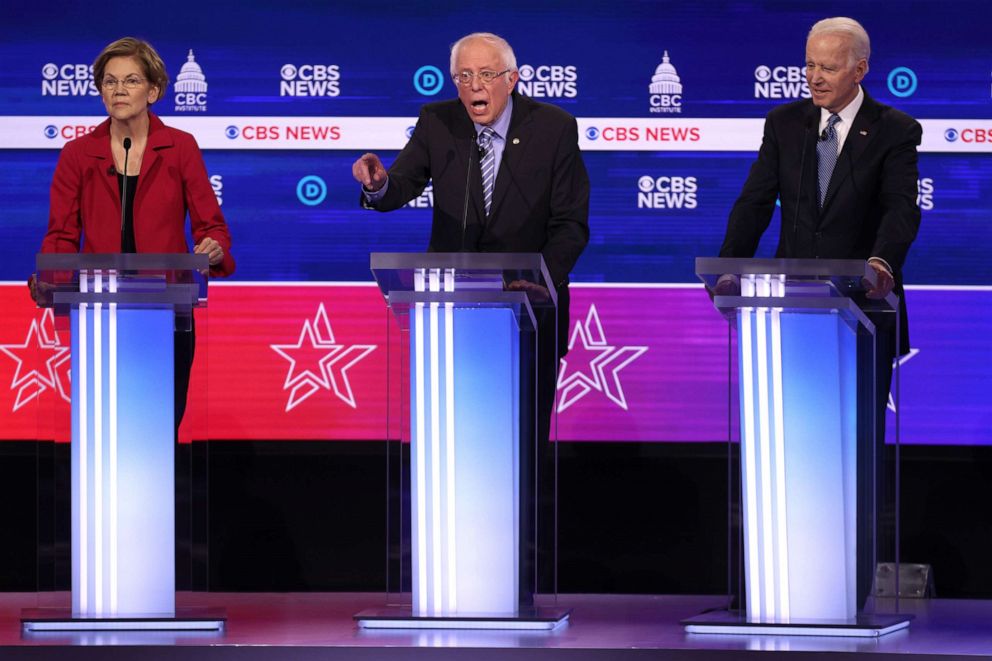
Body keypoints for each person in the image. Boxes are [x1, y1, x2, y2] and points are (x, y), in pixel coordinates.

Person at [352, 31, 589, 599]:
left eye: (486, 76)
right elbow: (400, 186)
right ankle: (449, 574)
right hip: (451, 317)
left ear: (512, 78)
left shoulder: (553, 127)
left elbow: (572, 223)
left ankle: (515, 579)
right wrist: (379, 185)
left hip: (530, 313)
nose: (474, 87)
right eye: (463, 77)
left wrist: (541, 278)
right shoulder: (439, 123)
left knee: (521, 445)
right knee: (452, 443)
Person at [717, 17, 921, 608]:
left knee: (853, 450)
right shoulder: (786, 125)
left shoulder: (895, 130)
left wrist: (881, 262)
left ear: (861, 68)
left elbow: (900, 211)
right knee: (786, 443)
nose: (814, 78)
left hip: (863, 309)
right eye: (809, 65)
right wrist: (730, 265)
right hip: (788, 312)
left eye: (828, 68)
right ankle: (777, 583)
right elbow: (756, 200)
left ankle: (847, 589)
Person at [30, 36, 235, 427]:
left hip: (169, 308)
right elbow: (61, 234)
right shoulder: (78, 153)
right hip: (101, 311)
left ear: (153, 90)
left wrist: (214, 249)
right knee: (108, 425)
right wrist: (51, 281)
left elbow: (212, 226)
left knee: (159, 425)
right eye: (109, 81)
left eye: (131, 80)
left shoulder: (180, 148)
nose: (119, 90)